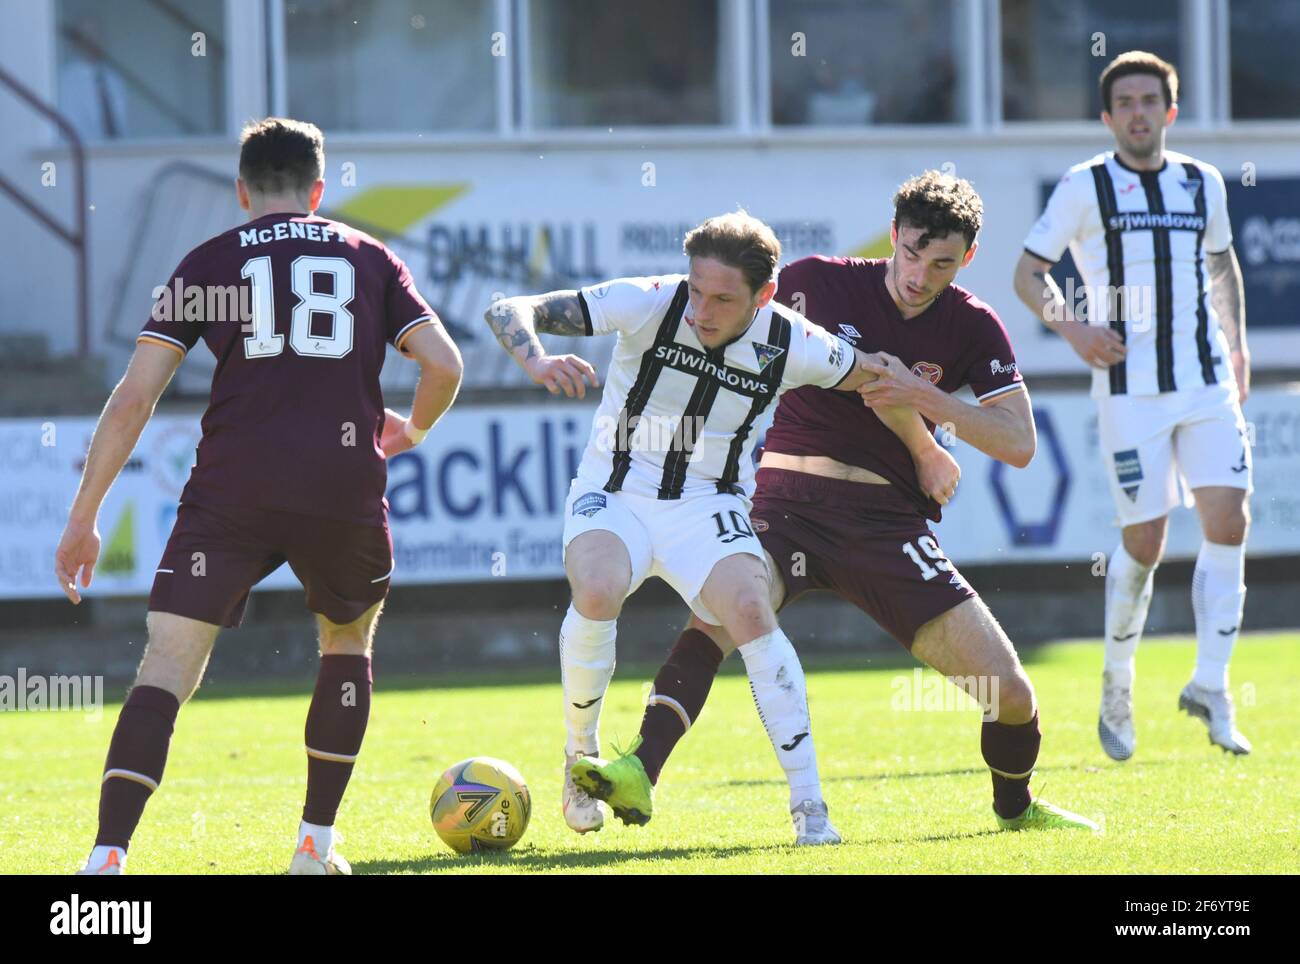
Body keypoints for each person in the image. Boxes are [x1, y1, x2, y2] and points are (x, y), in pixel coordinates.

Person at [588, 171, 1101, 836]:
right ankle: (638, 771)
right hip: (786, 506)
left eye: (941, 262)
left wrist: (930, 403)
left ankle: (1015, 809)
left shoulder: (973, 326)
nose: (920, 274)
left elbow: (1019, 443)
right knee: (722, 613)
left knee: (1008, 693)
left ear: (966, 258)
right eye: (912, 253)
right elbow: (709, 317)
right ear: (893, 236)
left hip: (886, 528)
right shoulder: (813, 284)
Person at [54, 117, 464, 875]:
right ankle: (315, 846)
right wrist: (409, 433)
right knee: (345, 643)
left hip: (232, 489)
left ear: (243, 191)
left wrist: (85, 516)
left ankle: (107, 858)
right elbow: (443, 364)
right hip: (342, 486)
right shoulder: (369, 256)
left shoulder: (208, 262)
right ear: (317, 188)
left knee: (167, 665)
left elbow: (134, 397)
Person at [483, 210, 960, 844]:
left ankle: (811, 809)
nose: (702, 310)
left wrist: (927, 450)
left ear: (763, 295)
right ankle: (579, 758)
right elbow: (507, 308)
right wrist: (537, 360)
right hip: (614, 492)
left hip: (706, 503)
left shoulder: (793, 340)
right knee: (596, 588)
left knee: (750, 608)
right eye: (697, 290)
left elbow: (875, 376)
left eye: (723, 298)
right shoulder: (649, 301)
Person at [1014, 51, 1252, 760]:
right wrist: (1072, 326)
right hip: (1128, 390)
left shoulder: (1202, 182)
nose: (1140, 111)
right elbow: (1029, 273)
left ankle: (1211, 684)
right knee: (1145, 543)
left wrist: (1236, 346)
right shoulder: (1085, 186)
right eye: (1127, 102)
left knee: (1230, 520)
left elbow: (1222, 263)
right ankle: (1117, 683)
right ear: (1108, 116)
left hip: (1206, 381)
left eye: (1152, 99)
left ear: (1170, 112)